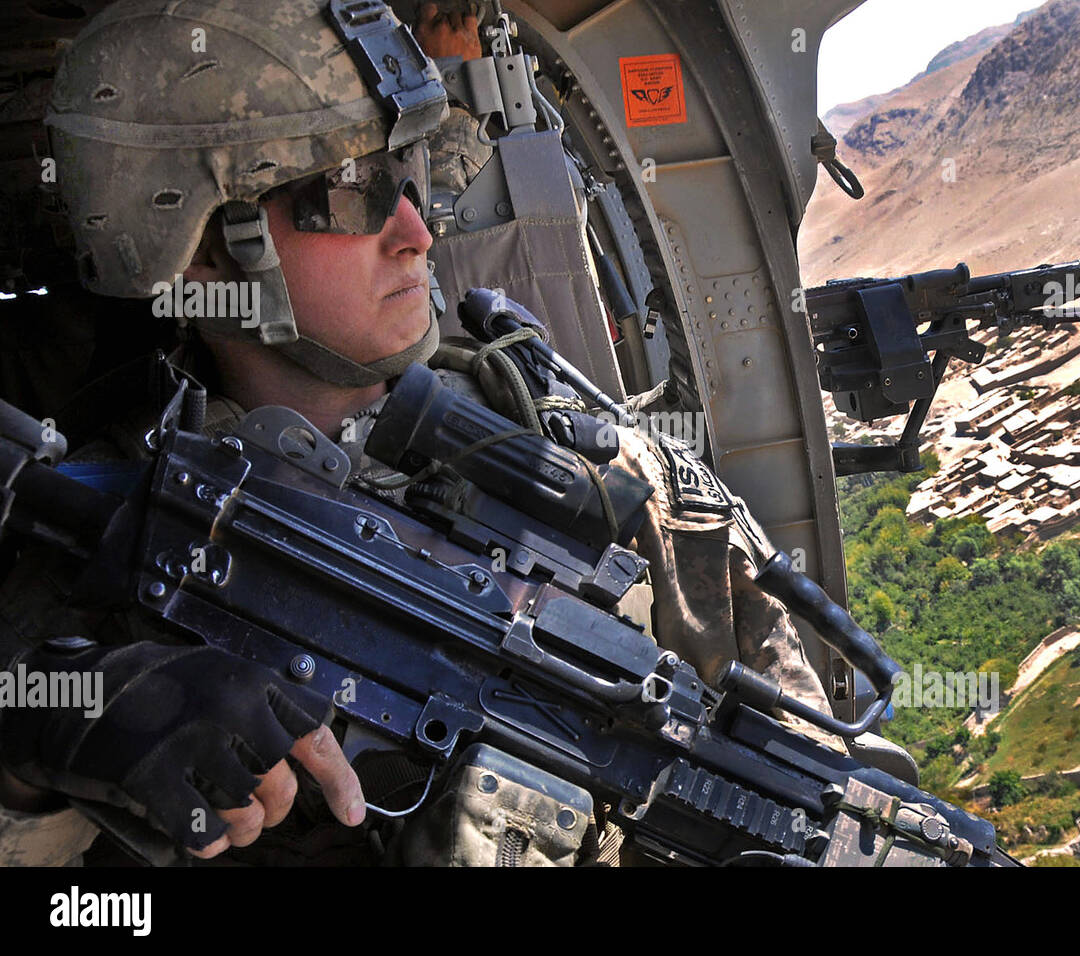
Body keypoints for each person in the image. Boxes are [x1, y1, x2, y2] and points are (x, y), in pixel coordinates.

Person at [0, 0, 842, 867]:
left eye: (412, 174)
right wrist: (47, 747)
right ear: (206, 253)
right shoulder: (90, 534)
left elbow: (821, 774)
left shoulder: (594, 464)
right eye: (352, 191)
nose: (415, 229)